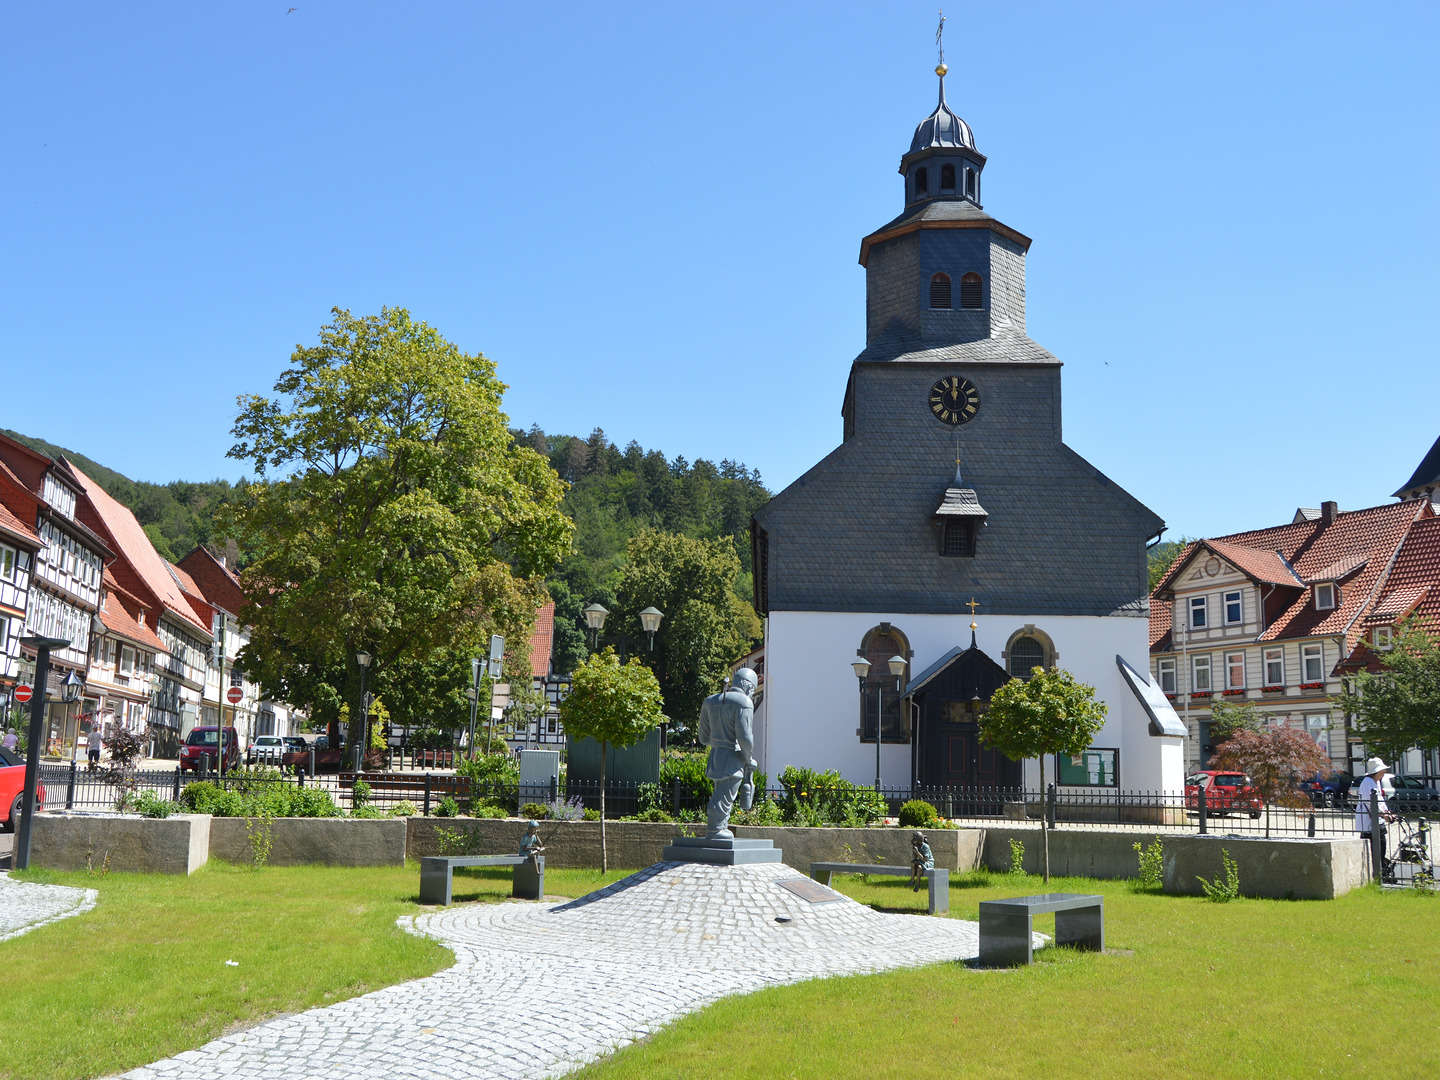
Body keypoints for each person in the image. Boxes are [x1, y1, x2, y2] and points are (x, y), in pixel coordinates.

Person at [695, 668, 758, 839]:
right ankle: (716, 829)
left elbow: (703, 737)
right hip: (732, 758)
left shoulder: (709, 701)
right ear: (749, 687)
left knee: (720, 793)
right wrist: (748, 757)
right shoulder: (744, 702)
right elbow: (745, 737)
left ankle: (719, 826)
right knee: (724, 797)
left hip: (715, 755)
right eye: (753, 690)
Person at [1354, 756, 1396, 873]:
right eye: (1382, 771)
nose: (1384, 773)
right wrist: (1384, 815)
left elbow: (1380, 800)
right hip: (1370, 823)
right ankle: (1377, 872)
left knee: (1381, 846)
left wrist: (1387, 812)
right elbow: (1370, 803)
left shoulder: (1375, 782)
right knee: (1376, 848)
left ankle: (1379, 870)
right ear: (1376, 772)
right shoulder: (1368, 783)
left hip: (1376, 822)